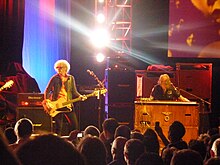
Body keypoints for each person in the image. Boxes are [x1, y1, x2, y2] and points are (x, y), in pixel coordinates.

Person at [44, 59, 86, 135]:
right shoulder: (54, 78)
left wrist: (80, 96)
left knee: (75, 125)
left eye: (60, 67)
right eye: (57, 68)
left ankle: (73, 142)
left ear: (65, 68)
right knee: (58, 127)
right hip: (57, 105)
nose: (58, 69)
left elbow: (74, 91)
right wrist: (47, 101)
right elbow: (47, 90)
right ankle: (57, 143)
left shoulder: (71, 78)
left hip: (67, 104)